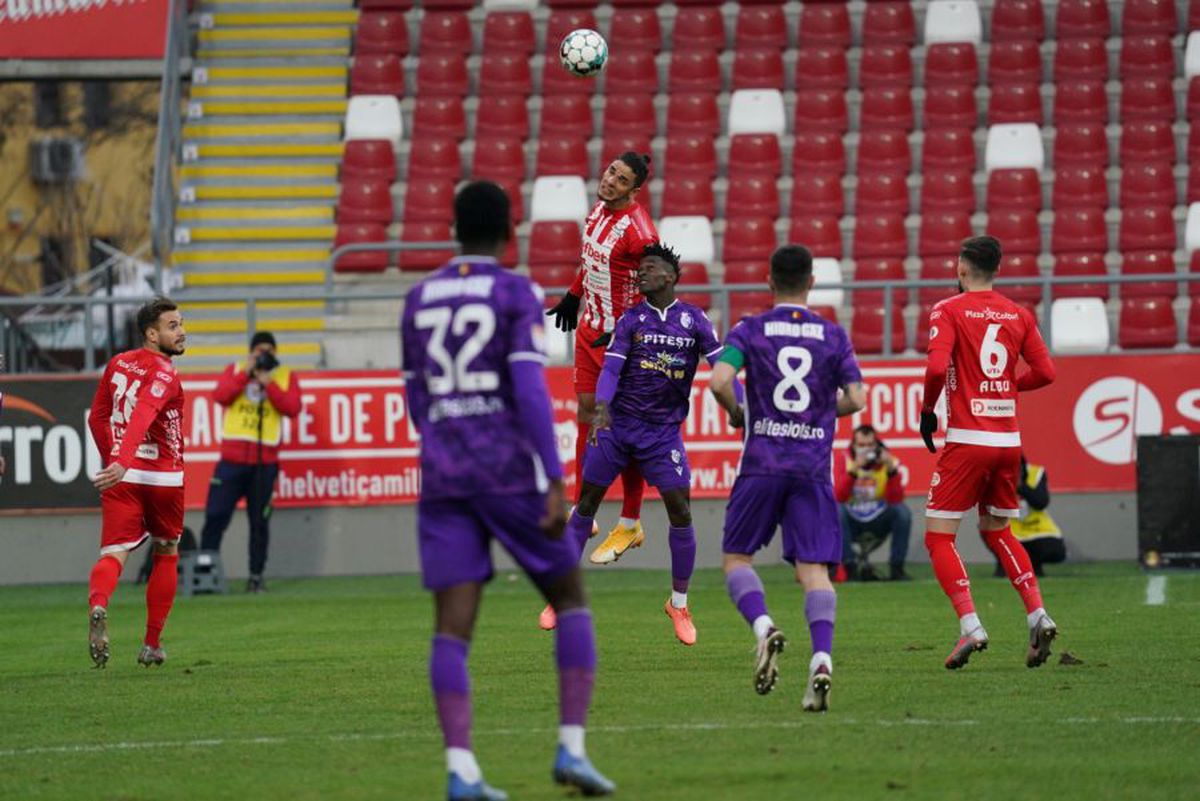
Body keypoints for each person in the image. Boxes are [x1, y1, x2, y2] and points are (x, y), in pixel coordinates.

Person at [401, 181, 614, 800]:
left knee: (452, 625)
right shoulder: (515, 291)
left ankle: (461, 770)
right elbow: (526, 389)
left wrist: (446, 442)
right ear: (510, 231)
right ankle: (572, 749)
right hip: (506, 474)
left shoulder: (418, 298)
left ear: (452, 227)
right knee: (569, 596)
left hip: (443, 476)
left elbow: (417, 399)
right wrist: (551, 475)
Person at [709, 245, 866, 712]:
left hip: (762, 462)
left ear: (769, 280)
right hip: (812, 468)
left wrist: (740, 412)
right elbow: (856, 398)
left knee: (737, 559)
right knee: (813, 571)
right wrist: (822, 412)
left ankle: (763, 628)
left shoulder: (749, 330)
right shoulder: (833, 335)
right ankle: (821, 661)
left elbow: (719, 380)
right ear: (811, 282)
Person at [566, 242, 730, 646]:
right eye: (639, 268)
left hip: (662, 435)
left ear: (670, 276)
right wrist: (601, 410)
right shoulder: (631, 320)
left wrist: (738, 403)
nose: (641, 273)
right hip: (619, 427)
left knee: (680, 511)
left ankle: (679, 603)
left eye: (650, 268)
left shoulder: (694, 321)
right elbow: (611, 370)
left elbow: (721, 365)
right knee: (586, 503)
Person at [918, 235, 1059, 671]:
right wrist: (1006, 386)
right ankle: (1038, 613)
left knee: (939, 536)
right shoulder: (1018, 314)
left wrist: (927, 411)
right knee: (998, 531)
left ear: (962, 268)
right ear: (995, 270)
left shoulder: (947, 310)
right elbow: (1046, 372)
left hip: (967, 439)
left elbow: (939, 367)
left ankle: (971, 625)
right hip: (1007, 443)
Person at [545, 152, 659, 576]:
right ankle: (583, 509)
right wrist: (575, 295)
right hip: (589, 332)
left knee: (623, 429)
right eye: (612, 171)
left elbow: (656, 283)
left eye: (622, 179)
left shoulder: (640, 232)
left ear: (634, 189)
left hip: (620, 343)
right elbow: (592, 263)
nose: (610, 180)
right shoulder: (597, 210)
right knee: (586, 415)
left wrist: (633, 331)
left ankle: (630, 520)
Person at [84, 297, 187, 669]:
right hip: (162, 475)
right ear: (151, 333)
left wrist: (115, 460)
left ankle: (98, 603)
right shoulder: (165, 373)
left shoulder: (117, 363)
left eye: (180, 323)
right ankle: (152, 644)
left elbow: (97, 417)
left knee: (113, 553)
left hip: (122, 476)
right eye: (172, 326)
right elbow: (144, 412)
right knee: (166, 550)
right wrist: (123, 461)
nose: (181, 331)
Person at [198, 331, 301, 592]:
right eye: (259, 351)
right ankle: (206, 576)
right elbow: (221, 396)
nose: (264, 355)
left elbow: (293, 408)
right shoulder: (236, 370)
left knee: (259, 522)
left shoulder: (285, 376)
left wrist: (269, 383)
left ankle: (256, 576)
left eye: (269, 351)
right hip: (231, 460)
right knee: (216, 516)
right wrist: (248, 372)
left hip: (264, 463)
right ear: (251, 352)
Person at [835, 424, 912, 581]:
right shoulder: (844, 460)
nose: (866, 449)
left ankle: (897, 568)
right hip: (851, 520)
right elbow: (839, 496)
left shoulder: (888, 461)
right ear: (854, 445)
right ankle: (850, 568)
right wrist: (854, 470)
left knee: (903, 513)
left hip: (878, 518)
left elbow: (896, 500)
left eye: (870, 445)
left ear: (876, 444)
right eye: (861, 445)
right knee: (836, 510)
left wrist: (891, 469)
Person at [991, 455, 1065, 577]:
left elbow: (1041, 503)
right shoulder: (997, 477)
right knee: (987, 528)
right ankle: (1003, 563)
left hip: (1037, 530)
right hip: (1010, 532)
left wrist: (1021, 487)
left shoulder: (1036, 473)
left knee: (1055, 552)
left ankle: (1034, 564)